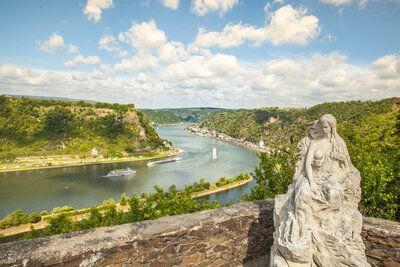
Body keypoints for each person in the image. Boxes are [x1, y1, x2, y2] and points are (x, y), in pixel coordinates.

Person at [271, 114, 369, 267]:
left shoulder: (339, 144)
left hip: (328, 179)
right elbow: (307, 165)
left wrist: (341, 181)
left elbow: (346, 166)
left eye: (326, 127)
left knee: (335, 195)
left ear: (332, 127)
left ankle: (330, 230)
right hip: (310, 177)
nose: (323, 129)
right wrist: (312, 183)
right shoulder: (315, 143)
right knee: (304, 196)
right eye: (321, 126)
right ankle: (301, 233)